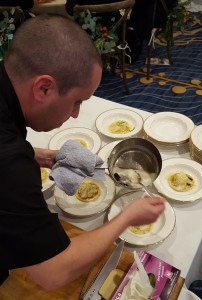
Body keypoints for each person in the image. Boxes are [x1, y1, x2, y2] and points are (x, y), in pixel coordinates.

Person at [0, 14, 165, 290]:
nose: (76, 114)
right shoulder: (9, 164)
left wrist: (36, 155)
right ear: (44, 87)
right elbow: (53, 271)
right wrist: (127, 217)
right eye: (77, 101)